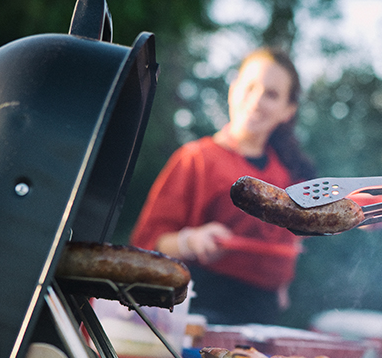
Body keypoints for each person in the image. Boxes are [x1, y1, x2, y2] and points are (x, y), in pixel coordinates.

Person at [130, 47, 316, 326]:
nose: (256, 101)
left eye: (272, 94)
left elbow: (292, 245)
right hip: (194, 309)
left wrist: (282, 282)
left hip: (261, 317)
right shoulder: (196, 159)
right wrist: (191, 240)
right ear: (233, 90)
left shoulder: (289, 176)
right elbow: (145, 245)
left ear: (288, 111)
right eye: (250, 87)